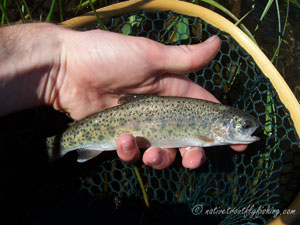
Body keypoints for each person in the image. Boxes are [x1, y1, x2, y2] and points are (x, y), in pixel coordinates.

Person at [0, 23, 246, 170]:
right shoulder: (207, 132)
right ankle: (51, 149)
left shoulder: (210, 126)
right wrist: (60, 62)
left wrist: (61, 62)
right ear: (222, 126)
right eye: (244, 126)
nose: (248, 129)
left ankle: (49, 149)